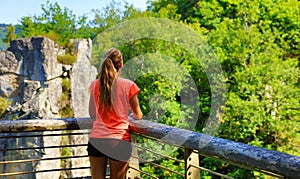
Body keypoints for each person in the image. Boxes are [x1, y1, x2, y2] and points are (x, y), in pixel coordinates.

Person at [87, 48, 143, 179]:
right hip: (119, 141)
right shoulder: (129, 85)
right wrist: (129, 116)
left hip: (97, 140)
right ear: (121, 64)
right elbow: (138, 114)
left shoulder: (95, 85)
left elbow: (92, 113)